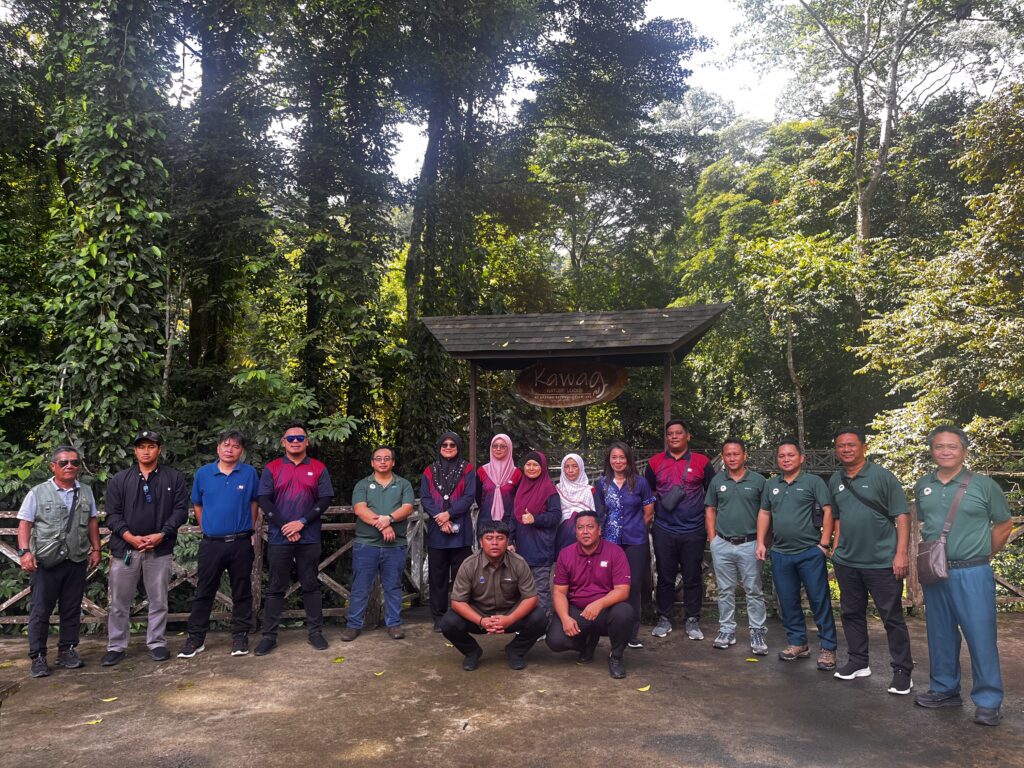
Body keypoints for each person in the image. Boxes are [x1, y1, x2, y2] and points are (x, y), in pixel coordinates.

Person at [913, 425, 1013, 727]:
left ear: (964, 451)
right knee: (940, 633)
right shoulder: (923, 485)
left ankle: (988, 700)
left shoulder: (984, 486)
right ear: (932, 450)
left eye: (952, 446)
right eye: (939, 446)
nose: (945, 451)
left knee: (981, 636)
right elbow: (927, 524)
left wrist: (984, 555)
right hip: (936, 571)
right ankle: (944, 689)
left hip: (972, 572)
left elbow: (1003, 525)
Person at [828, 426, 913, 694]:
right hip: (848, 561)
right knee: (851, 613)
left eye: (851, 444)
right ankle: (858, 661)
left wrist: (901, 553)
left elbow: (902, 516)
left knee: (892, 617)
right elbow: (838, 515)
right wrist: (836, 547)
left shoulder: (882, 477)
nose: (846, 449)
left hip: (881, 561)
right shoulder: (835, 479)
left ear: (864, 447)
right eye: (841, 446)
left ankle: (902, 671)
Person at [103, 431, 189, 666]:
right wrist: (129, 537)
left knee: (158, 600)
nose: (146, 451)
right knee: (119, 601)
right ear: (135, 451)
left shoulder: (173, 478)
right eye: (141, 447)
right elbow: (112, 515)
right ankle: (116, 646)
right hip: (126, 550)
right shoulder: (120, 479)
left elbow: (181, 511)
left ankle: (157, 642)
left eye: (151, 446)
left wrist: (162, 534)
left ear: (159, 449)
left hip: (159, 549)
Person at [17, 446, 101, 678]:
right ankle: (38, 656)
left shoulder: (86, 491)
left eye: (74, 462)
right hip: (47, 561)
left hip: (76, 558)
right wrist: (25, 552)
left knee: (71, 608)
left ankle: (67, 650)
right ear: (53, 466)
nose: (69, 466)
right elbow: (25, 524)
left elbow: (92, 521)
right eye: (64, 462)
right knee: (40, 609)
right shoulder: (37, 492)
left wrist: (96, 549)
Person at [756, 438, 838, 671]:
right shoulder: (771, 484)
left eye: (791, 455)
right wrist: (761, 542)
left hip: (809, 551)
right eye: (781, 456)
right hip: (781, 553)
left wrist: (824, 544)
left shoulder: (813, 482)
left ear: (801, 458)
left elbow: (828, 511)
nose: (786, 459)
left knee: (819, 600)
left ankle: (828, 647)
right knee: (788, 600)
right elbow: (764, 513)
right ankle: (798, 643)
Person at [254, 422, 334, 656]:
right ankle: (269, 636)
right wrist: (285, 526)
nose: (295, 441)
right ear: (283, 442)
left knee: (310, 584)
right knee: (276, 587)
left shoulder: (318, 467)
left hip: (309, 536)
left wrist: (302, 522)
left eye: (300, 438)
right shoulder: (272, 468)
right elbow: (264, 499)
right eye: (291, 438)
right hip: (279, 537)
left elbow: (325, 499)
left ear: (307, 441)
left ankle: (315, 632)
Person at [178, 429, 260, 658]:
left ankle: (240, 636)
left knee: (242, 591)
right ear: (218, 448)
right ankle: (195, 639)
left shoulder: (249, 473)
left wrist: (249, 529)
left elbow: (254, 503)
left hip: (240, 542)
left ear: (241, 451)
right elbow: (198, 504)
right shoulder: (204, 473)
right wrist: (207, 528)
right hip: (211, 543)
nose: (229, 449)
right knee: (204, 591)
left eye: (235, 446)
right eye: (226, 445)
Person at [440, 519, 548, 671]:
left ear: (507, 541)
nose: (495, 543)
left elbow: (531, 597)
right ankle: (472, 652)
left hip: (509, 614)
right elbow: (457, 601)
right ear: (481, 542)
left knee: (540, 618)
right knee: (448, 623)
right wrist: (481, 621)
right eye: (489, 538)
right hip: (479, 616)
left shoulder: (518, 563)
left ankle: (516, 650)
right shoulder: (469, 564)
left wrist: (510, 619)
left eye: (500, 538)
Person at [645, 419, 716, 640]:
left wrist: (710, 529)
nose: (674, 437)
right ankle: (664, 617)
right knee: (664, 576)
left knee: (692, 575)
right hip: (663, 528)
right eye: (670, 434)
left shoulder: (702, 462)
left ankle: (692, 619)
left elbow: (712, 494)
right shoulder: (655, 462)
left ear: (688, 436)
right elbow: (648, 493)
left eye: (678, 433)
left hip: (694, 529)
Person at [546, 511, 634, 679]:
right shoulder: (566, 554)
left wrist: (599, 604)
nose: (585, 532)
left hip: (605, 611)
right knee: (555, 641)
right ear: (576, 532)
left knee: (624, 612)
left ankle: (616, 656)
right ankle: (586, 644)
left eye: (590, 527)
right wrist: (565, 618)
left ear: (599, 530)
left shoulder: (615, 552)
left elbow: (623, 590)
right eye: (580, 528)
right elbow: (559, 592)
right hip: (577, 610)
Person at [342, 446, 415, 642]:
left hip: (395, 545)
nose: (383, 461)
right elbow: (360, 509)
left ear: (393, 462)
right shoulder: (363, 484)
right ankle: (353, 625)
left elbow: (407, 508)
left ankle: (394, 624)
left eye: (387, 458)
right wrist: (384, 526)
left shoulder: (403, 484)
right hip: (366, 544)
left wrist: (389, 519)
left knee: (393, 586)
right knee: (360, 586)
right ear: (372, 462)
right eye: (378, 458)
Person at [704, 438, 768, 655]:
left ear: (744, 455)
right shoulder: (717, 481)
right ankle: (727, 630)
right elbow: (710, 509)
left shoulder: (759, 481)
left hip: (750, 544)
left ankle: (757, 632)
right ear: (723, 457)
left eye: (736, 454)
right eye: (728, 454)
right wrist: (713, 539)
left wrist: (762, 541)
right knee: (725, 589)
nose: (732, 458)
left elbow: (765, 512)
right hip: (722, 543)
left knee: (754, 590)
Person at [594, 442, 654, 649]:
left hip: (635, 541)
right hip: (610, 542)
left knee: (633, 585)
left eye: (622, 457)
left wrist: (635, 527)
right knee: (610, 584)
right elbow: (599, 513)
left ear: (628, 459)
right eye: (614, 457)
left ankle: (631, 633)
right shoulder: (602, 484)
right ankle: (610, 626)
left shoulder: (640, 482)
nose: (618, 461)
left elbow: (648, 512)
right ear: (609, 460)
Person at [421, 431, 476, 630]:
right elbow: (426, 498)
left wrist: (449, 514)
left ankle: (461, 615)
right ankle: (439, 617)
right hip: (438, 530)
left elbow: (469, 496)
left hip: (461, 530)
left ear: (458, 447)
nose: (448, 448)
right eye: (445, 445)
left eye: (452, 445)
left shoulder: (467, 469)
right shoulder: (430, 470)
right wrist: (440, 517)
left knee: (462, 576)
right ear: (439, 447)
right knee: (438, 576)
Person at [510, 450, 561, 615]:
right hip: (521, 548)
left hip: (541, 548)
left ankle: (543, 623)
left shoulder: (549, 490)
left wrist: (536, 518)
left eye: (535, 465)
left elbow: (556, 516)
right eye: (528, 464)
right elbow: (514, 515)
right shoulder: (521, 488)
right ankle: (524, 621)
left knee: (540, 589)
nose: (531, 468)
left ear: (543, 467)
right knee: (522, 589)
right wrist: (510, 540)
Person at [476, 433, 521, 532]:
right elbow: (478, 496)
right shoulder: (482, 471)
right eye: (495, 446)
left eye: (502, 446)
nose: (498, 449)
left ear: (509, 448)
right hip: (485, 522)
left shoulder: (516, 473)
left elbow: (519, 500)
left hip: (509, 523)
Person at [555, 453, 595, 555]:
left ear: (580, 468)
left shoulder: (589, 491)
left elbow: (598, 516)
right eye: (567, 467)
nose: (570, 470)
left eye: (574, 466)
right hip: (560, 538)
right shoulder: (557, 490)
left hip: (585, 540)